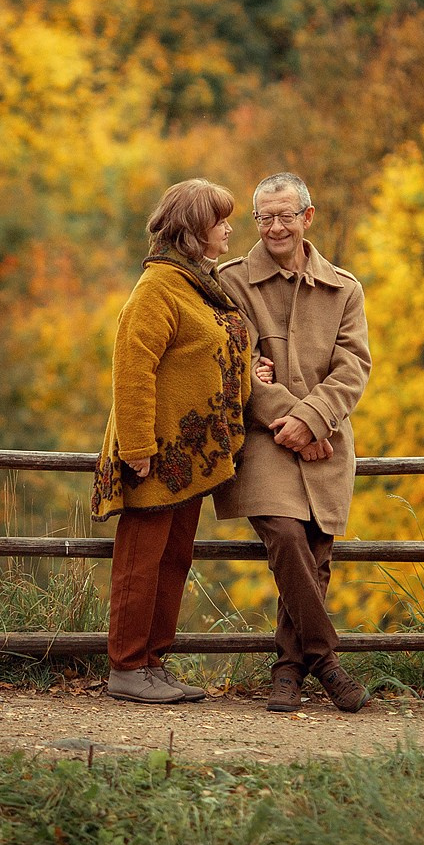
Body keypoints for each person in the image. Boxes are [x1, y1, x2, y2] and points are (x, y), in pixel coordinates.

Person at [214, 171, 374, 713]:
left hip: (327, 441)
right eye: (264, 217)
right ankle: (327, 660)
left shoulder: (344, 288)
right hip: (263, 439)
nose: (274, 226)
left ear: (307, 217)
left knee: (314, 556)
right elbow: (234, 370)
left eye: (285, 215)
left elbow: (354, 367)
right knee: (284, 535)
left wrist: (314, 421)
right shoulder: (231, 281)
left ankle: (287, 670)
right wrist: (291, 423)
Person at [90, 178, 253, 704]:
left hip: (189, 458)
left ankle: (153, 662)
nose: (229, 228)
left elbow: (210, 349)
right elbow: (132, 369)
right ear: (193, 230)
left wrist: (250, 370)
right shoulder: (157, 288)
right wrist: (136, 448)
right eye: (220, 220)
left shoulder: (195, 284)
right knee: (140, 563)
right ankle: (127, 666)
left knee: (173, 560)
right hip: (155, 455)